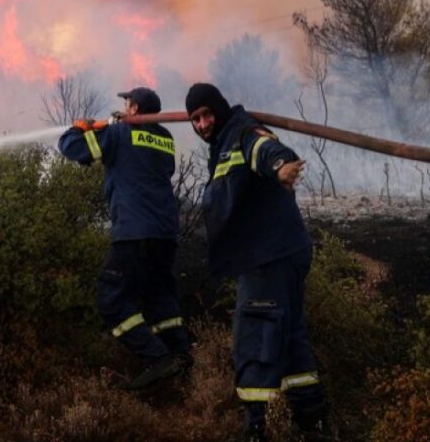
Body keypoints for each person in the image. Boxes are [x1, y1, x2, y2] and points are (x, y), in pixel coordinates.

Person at [184, 83, 329, 440]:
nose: (202, 124)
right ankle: (313, 423)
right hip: (282, 251)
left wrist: (280, 167)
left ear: (219, 109)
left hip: (268, 256)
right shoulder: (224, 142)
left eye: (206, 114)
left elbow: (266, 148)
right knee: (291, 339)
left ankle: (256, 429)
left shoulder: (242, 133)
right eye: (195, 119)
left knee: (254, 339)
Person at [58, 86, 191, 390]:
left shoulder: (119, 135)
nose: (124, 107)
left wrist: (78, 129)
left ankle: (158, 359)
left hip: (133, 232)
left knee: (112, 300)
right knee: (160, 300)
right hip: (165, 234)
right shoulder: (166, 140)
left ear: (134, 109)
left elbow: (74, 149)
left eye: (128, 103)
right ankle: (182, 358)